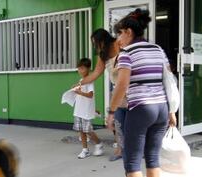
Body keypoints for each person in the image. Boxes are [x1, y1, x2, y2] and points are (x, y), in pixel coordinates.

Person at [106, 9, 176, 177]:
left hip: (141, 108)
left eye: (120, 34)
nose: (119, 39)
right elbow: (169, 80)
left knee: (132, 162)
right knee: (152, 158)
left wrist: (111, 112)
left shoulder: (127, 53)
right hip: (161, 109)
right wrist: (172, 110)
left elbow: (122, 85)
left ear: (129, 32)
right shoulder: (158, 49)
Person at [76, 29, 126, 161]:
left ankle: (139, 148)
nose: (95, 47)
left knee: (134, 122)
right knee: (118, 122)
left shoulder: (120, 45)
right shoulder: (103, 55)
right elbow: (95, 74)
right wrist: (80, 83)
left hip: (132, 89)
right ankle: (120, 150)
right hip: (118, 91)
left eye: (95, 43)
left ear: (102, 41)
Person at [73, 58, 104, 159]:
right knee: (81, 130)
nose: (80, 70)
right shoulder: (81, 81)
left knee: (88, 131)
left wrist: (79, 92)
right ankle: (85, 150)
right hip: (79, 110)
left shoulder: (89, 81)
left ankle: (99, 144)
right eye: (79, 68)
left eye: (82, 68)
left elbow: (90, 95)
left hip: (86, 111)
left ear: (88, 69)